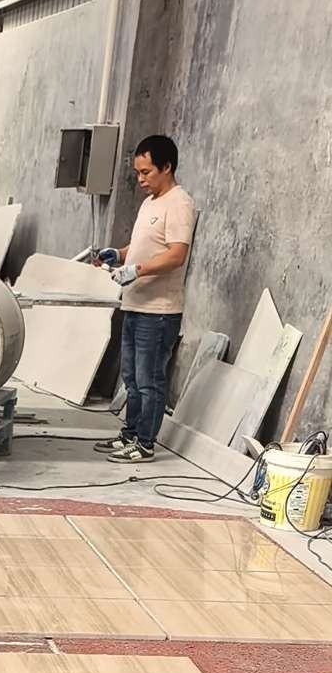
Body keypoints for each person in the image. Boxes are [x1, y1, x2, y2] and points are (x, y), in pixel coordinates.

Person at [94, 135, 197, 462]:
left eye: (146, 172)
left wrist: (136, 270)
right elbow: (143, 247)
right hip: (135, 304)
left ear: (167, 167)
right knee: (131, 378)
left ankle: (145, 444)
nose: (140, 179)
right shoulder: (150, 203)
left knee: (149, 380)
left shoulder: (179, 204)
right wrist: (119, 254)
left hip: (159, 311)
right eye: (137, 173)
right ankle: (130, 435)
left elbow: (176, 255)